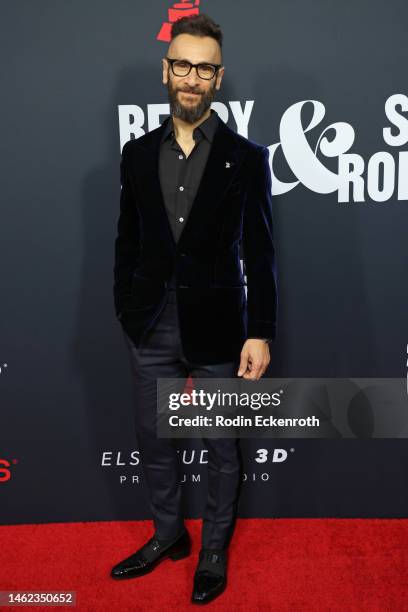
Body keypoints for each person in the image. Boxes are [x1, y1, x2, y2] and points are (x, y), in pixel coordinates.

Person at [110, 13, 278, 605]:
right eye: (182, 64)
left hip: (219, 330)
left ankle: (213, 549)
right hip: (150, 323)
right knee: (153, 440)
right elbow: (126, 242)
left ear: (218, 77)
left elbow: (261, 252)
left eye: (204, 68)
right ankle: (168, 535)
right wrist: (125, 309)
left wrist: (259, 332)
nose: (192, 77)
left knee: (221, 445)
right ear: (166, 70)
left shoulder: (246, 157)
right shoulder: (135, 156)